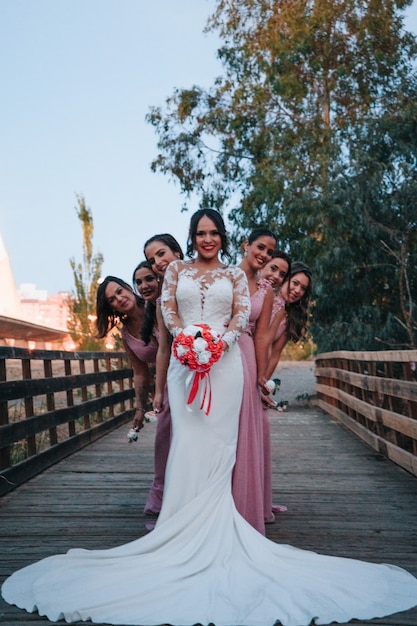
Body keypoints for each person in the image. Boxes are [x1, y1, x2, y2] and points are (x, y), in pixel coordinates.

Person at [2, 212, 417, 626]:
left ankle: (219, 528)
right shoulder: (175, 273)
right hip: (185, 367)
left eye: (213, 233)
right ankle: (178, 531)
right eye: (200, 233)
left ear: (222, 236)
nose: (207, 239)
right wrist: (178, 361)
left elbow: (241, 318)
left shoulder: (236, 275)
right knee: (186, 446)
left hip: (226, 364)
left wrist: (217, 344)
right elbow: (167, 327)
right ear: (192, 237)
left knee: (220, 447)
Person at [232, 227, 277, 535]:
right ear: (246, 245)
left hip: (246, 353)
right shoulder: (223, 276)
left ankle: (244, 507)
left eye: (270, 252)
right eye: (260, 247)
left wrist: (261, 375)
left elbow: (262, 335)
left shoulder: (266, 289)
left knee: (245, 426)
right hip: (218, 351)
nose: (264, 254)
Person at [141, 234, 184, 517]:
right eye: (152, 259)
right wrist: (158, 392)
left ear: (177, 251)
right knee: (169, 434)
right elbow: (163, 350)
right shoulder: (161, 300)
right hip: (179, 371)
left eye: (161, 253)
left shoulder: (205, 280)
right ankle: (168, 497)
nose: (158, 262)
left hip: (215, 364)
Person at [95, 275, 158, 432]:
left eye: (119, 291)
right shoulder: (126, 335)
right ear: (111, 308)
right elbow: (140, 373)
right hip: (167, 388)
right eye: (112, 299)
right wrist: (140, 409)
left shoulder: (157, 306)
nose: (119, 298)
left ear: (129, 288)